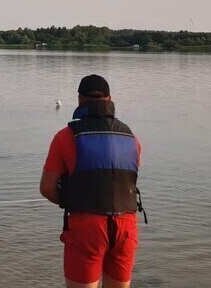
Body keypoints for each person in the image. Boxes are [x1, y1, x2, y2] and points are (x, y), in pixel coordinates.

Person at [40, 74, 142, 288]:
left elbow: (47, 188)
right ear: (110, 99)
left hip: (87, 225)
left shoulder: (65, 137)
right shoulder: (131, 137)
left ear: (79, 100)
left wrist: (70, 200)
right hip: (126, 225)